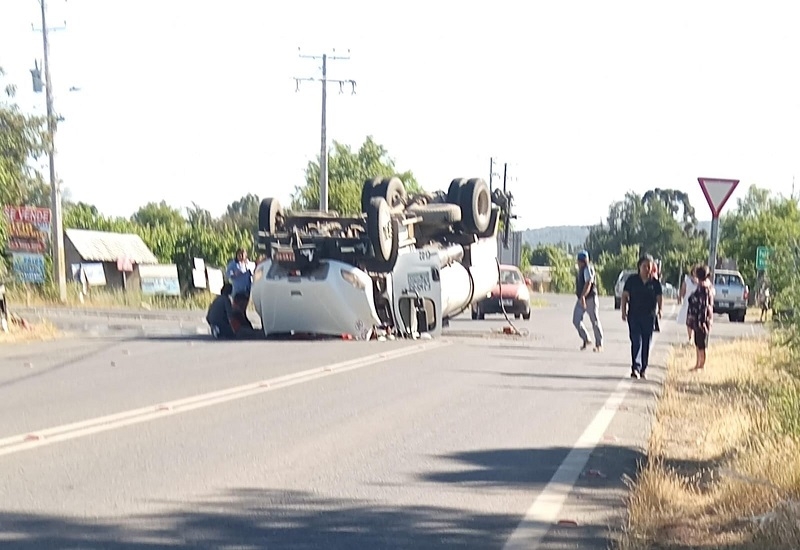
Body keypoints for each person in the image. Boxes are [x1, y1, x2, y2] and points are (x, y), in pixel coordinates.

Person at [621, 254, 663, 380]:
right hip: (634, 315)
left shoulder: (655, 283)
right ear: (639, 267)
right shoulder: (632, 280)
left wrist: (660, 310)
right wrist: (623, 311)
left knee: (646, 342)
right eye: (644, 266)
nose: (647, 269)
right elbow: (624, 296)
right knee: (636, 341)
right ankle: (635, 367)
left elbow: (659, 298)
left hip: (649, 317)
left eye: (649, 267)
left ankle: (643, 368)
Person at [572, 250, 604, 352]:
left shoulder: (587, 269)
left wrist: (583, 297)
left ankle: (599, 344)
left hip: (589, 299)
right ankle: (586, 339)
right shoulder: (581, 270)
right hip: (582, 298)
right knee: (576, 320)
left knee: (594, 321)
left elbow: (588, 283)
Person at [686, 265, 714, 370]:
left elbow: (704, 305)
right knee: (698, 342)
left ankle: (701, 365)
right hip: (700, 319)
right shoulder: (705, 286)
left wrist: (701, 320)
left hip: (702, 319)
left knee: (702, 344)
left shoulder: (704, 288)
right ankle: (698, 363)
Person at [677, 265, 699, 342]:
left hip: (697, 303)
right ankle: (690, 337)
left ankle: (695, 338)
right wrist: (680, 297)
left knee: (696, 320)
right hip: (688, 302)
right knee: (689, 321)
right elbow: (683, 289)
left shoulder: (700, 281)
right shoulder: (687, 279)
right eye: (694, 271)